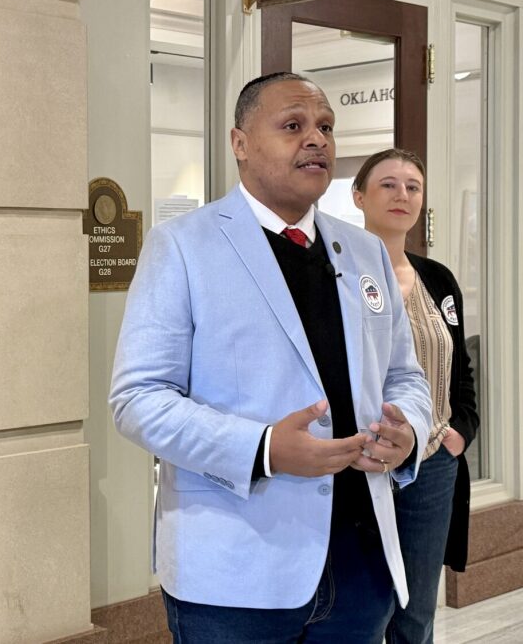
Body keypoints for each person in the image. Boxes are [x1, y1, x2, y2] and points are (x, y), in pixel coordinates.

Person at [109, 72, 433, 643]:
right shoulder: (183, 246)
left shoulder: (363, 251)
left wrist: (409, 429)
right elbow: (138, 400)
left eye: (326, 127)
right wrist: (261, 449)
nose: (317, 140)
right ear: (240, 143)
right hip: (235, 573)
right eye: (293, 126)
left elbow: (405, 375)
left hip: (360, 562)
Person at [353, 148, 479, 644]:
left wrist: (459, 434)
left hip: (433, 465)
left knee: (417, 612)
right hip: (362, 463)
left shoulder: (438, 279)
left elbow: (459, 369)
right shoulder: (335, 276)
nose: (402, 194)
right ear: (359, 196)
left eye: (413, 186)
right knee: (364, 609)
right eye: (388, 184)